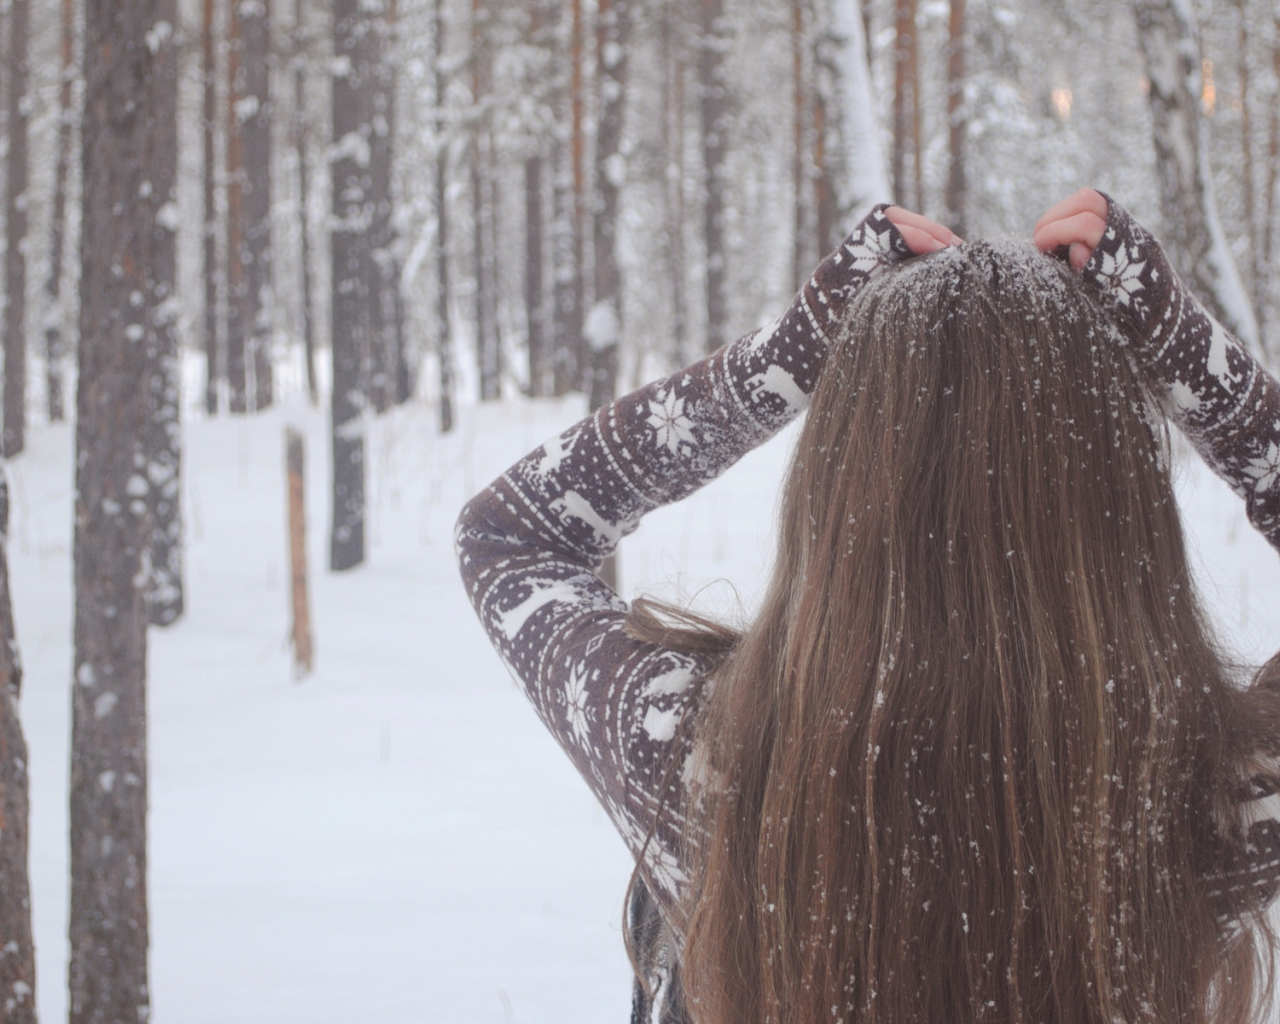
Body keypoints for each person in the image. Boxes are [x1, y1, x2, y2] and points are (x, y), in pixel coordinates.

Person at [456, 189, 1280, 1024]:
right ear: (1122, 519)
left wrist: (778, 363)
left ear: (837, 491)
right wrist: (1193, 361)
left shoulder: (711, 773)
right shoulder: (1200, 810)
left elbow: (508, 538)